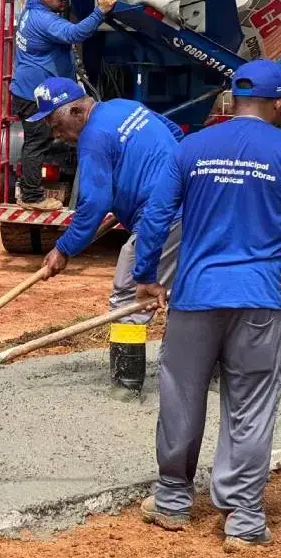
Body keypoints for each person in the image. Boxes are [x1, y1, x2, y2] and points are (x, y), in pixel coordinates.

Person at [134, 59, 281, 551]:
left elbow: (156, 217)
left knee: (181, 394)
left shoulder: (191, 148)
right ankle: (244, 519)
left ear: (231, 101)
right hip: (256, 300)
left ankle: (171, 499)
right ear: (280, 105)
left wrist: (147, 276)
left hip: (195, 297)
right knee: (251, 404)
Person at [31, 77, 185, 400]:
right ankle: (205, 375)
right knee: (188, 290)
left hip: (165, 218)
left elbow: (93, 205)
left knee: (128, 296)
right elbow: (174, 133)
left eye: (54, 123)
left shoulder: (93, 138)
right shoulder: (122, 107)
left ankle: (126, 386)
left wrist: (63, 249)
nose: (54, 134)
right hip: (189, 206)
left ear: (75, 110)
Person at [10, 0, 117, 211]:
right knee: (37, 143)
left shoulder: (32, 11)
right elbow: (74, 34)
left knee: (37, 142)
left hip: (29, 90)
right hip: (35, 96)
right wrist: (100, 11)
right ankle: (31, 196)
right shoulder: (43, 19)